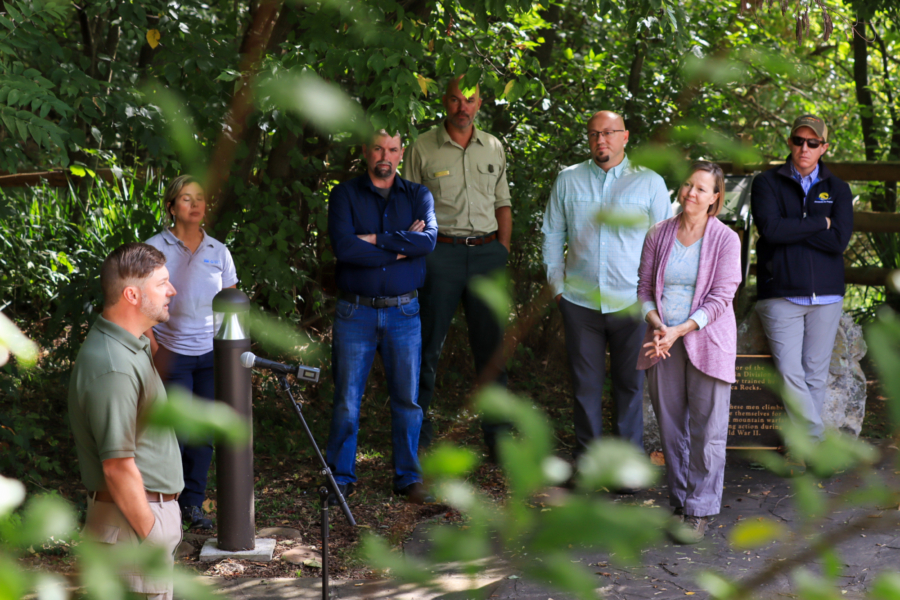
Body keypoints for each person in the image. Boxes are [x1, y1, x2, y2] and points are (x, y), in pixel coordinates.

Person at [541, 110, 671, 463]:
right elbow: (552, 235)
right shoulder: (568, 181)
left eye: (609, 133)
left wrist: (656, 302)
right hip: (580, 303)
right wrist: (558, 289)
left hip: (633, 303)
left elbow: (664, 246)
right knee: (585, 388)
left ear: (625, 137)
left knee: (630, 387)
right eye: (595, 134)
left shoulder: (650, 183)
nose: (601, 140)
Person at [326, 129, 437, 504]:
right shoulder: (344, 194)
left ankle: (408, 476)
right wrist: (401, 245)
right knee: (346, 399)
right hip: (354, 311)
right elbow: (344, 247)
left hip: (404, 312)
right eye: (377, 148)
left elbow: (428, 241)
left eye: (391, 148)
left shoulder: (418, 195)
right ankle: (341, 476)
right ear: (366, 151)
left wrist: (372, 239)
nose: (384, 155)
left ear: (401, 153)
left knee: (407, 399)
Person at [404, 76, 513, 457]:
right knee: (427, 347)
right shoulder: (422, 147)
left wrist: (502, 250)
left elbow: (503, 202)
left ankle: (497, 438)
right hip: (440, 255)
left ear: (480, 102)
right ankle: (418, 434)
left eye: (469, 100)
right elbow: (407, 207)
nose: (462, 108)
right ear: (443, 102)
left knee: (491, 347)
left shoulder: (494, 147)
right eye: (454, 100)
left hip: (486, 254)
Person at [68, 243, 183, 599]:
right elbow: (117, 466)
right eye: (162, 283)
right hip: (133, 526)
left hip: (137, 521)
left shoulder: (129, 345)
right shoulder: (112, 365)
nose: (172, 290)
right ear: (132, 294)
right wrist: (151, 535)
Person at [636, 162, 742, 543]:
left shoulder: (726, 239)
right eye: (687, 186)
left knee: (708, 429)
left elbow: (721, 298)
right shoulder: (658, 234)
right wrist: (658, 323)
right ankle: (680, 502)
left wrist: (681, 329)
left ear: (715, 197)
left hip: (707, 341)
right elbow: (644, 288)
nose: (691, 194)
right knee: (670, 427)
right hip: (661, 342)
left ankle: (700, 508)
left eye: (701, 189)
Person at [751, 115, 852, 446]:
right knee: (790, 373)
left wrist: (796, 226)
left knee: (815, 375)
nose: (804, 148)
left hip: (826, 295)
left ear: (824, 147)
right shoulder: (766, 183)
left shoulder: (838, 189)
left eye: (812, 143)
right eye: (798, 141)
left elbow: (838, 241)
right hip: (780, 293)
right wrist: (819, 223)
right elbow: (772, 230)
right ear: (789, 142)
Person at [145, 175, 238, 530]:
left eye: (200, 198)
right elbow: (141, 303)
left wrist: (228, 353)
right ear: (171, 207)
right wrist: (156, 349)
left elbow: (232, 304)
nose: (196, 204)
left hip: (211, 357)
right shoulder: (155, 249)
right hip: (172, 355)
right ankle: (166, 505)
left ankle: (194, 505)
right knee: (177, 434)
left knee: (203, 435)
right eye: (186, 199)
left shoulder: (219, 251)